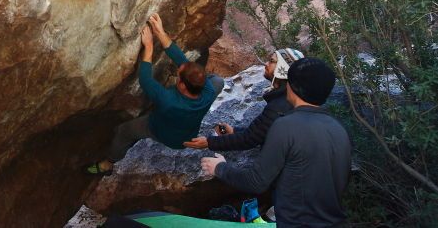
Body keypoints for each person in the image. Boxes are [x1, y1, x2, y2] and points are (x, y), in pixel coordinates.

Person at [201, 57, 352, 228]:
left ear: (291, 85)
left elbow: (255, 182)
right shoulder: (339, 129)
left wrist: (220, 168)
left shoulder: (286, 125)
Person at [85, 13, 223, 175]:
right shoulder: (206, 89)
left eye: (180, 75)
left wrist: (149, 46)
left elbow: (145, 80)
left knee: (124, 131)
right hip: (186, 136)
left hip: (161, 131)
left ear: (183, 86)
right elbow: (182, 61)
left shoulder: (168, 100)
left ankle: (108, 163)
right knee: (219, 82)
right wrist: (160, 33)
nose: (179, 69)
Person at [183, 48, 304, 151]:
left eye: (272, 61)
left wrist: (209, 143)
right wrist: (235, 131)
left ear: (283, 69)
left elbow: (250, 139)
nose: (266, 64)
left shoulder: (279, 106)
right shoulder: (285, 99)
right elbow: (261, 131)